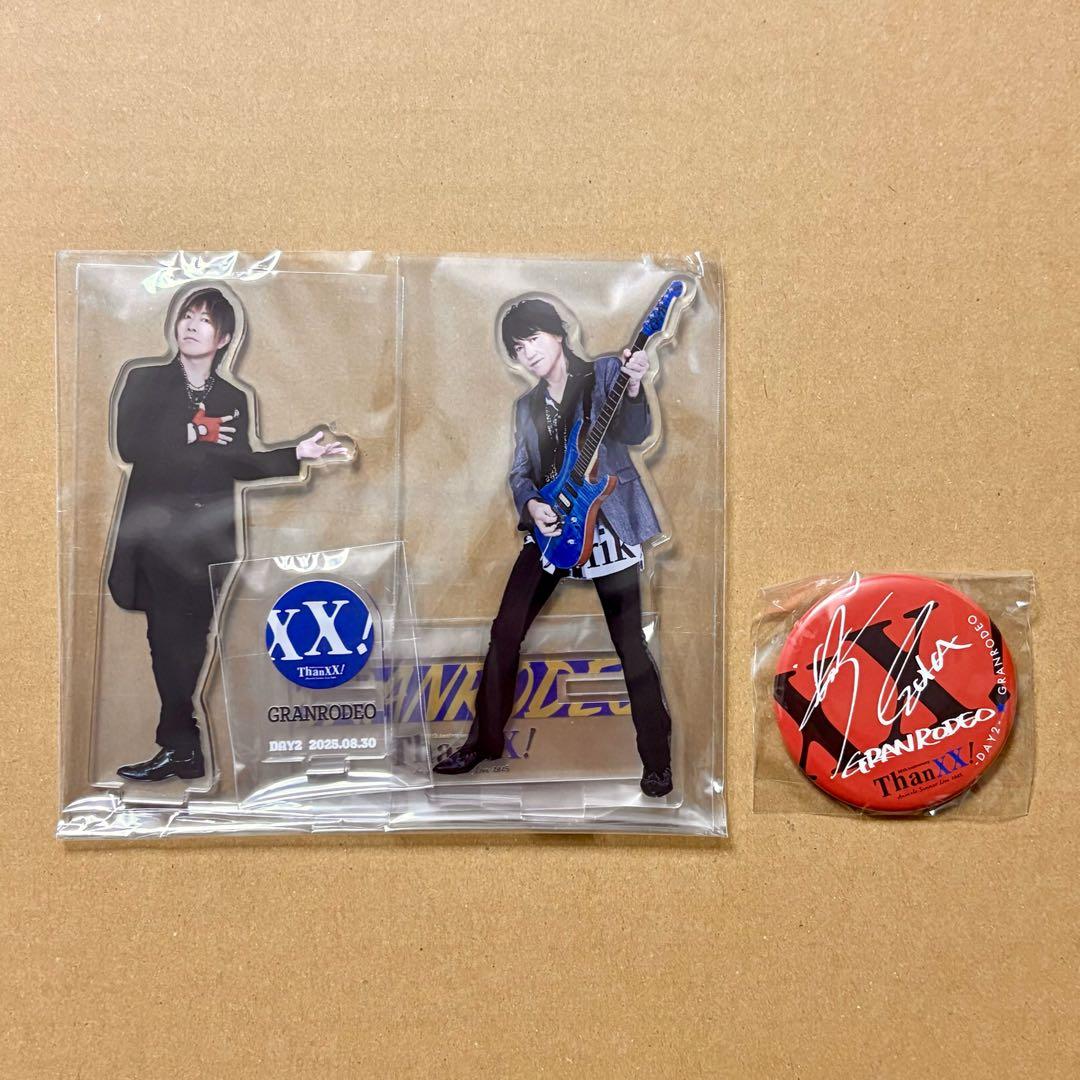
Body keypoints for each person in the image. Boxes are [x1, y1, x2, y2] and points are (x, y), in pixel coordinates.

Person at [433, 297, 673, 797]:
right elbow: (520, 471)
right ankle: (483, 743)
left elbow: (635, 433)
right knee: (504, 632)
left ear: (558, 334)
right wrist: (531, 504)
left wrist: (633, 385)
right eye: (518, 348)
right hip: (553, 527)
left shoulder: (604, 374)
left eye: (533, 339)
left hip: (606, 522)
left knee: (630, 645)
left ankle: (657, 760)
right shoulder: (526, 407)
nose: (528, 353)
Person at [107, 286, 348, 782]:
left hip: (208, 541)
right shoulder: (145, 380)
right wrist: (195, 432)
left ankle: (182, 748)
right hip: (156, 535)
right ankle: (182, 745)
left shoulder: (232, 398)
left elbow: (238, 463)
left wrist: (296, 454)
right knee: (167, 639)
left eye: (204, 320)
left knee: (189, 640)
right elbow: (130, 446)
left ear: (223, 338)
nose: (191, 325)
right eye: (187, 315)